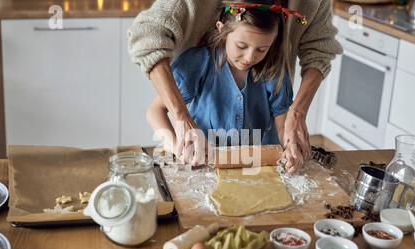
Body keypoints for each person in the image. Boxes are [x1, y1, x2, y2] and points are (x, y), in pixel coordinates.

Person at [128, 0, 342, 173]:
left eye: (262, 49)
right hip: (205, 167)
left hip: (257, 166)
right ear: (222, 30)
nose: (250, 57)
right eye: (241, 46)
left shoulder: (274, 71)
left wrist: (289, 149)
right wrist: (176, 145)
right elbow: (155, 111)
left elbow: (282, 123)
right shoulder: (198, 63)